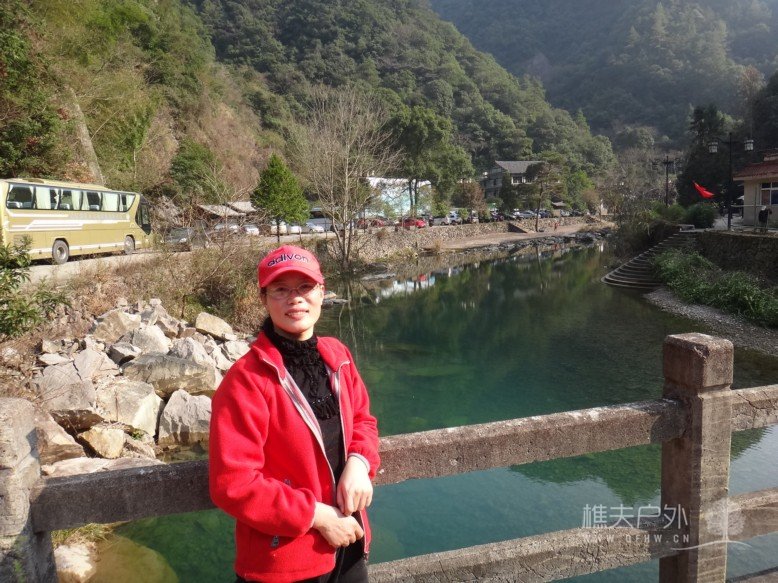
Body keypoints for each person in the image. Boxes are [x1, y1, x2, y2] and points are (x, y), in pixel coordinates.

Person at [209, 245, 380, 583]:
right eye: (280, 289)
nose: (295, 298)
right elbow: (233, 483)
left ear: (322, 291)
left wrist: (360, 463)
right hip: (284, 561)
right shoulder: (246, 380)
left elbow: (363, 419)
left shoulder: (338, 356)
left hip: (349, 541)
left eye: (304, 286)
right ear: (264, 298)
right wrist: (317, 516)